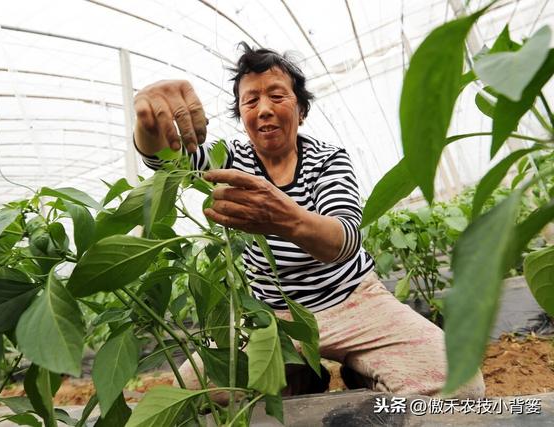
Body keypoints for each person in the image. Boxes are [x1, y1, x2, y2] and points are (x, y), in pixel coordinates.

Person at [133, 42, 485, 398]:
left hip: (353, 302)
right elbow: (167, 160)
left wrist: (285, 218)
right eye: (251, 101)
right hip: (272, 316)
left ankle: (354, 370)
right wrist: (148, 120)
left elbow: (344, 241)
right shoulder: (231, 159)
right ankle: (301, 374)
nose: (265, 109)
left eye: (277, 96)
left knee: (460, 383)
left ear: (301, 111)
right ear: (242, 118)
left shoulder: (327, 160)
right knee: (194, 395)